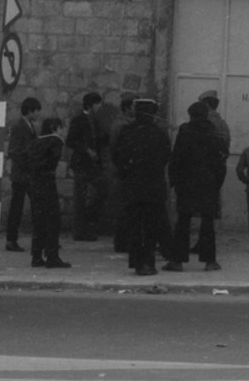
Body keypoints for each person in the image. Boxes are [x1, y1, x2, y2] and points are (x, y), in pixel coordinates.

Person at [164, 101, 227, 273]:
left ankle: (177, 261)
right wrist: (216, 184)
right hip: (208, 185)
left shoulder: (185, 131)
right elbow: (221, 163)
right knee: (207, 223)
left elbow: (176, 158)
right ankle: (210, 261)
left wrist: (174, 181)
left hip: (187, 184)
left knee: (183, 221)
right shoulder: (215, 132)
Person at [111, 97, 171, 276]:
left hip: (132, 186)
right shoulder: (159, 133)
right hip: (153, 187)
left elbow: (118, 157)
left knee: (135, 226)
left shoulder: (127, 132)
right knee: (151, 226)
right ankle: (149, 262)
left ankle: (138, 262)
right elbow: (166, 156)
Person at [29, 116, 70, 268]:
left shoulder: (35, 142)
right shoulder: (54, 142)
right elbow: (51, 161)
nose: (63, 131)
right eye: (61, 128)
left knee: (39, 221)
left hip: (35, 184)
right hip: (47, 184)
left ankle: (37, 255)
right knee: (53, 220)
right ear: (54, 128)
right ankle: (52, 256)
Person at [67, 91, 106, 242]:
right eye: (97, 104)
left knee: (102, 189)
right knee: (80, 198)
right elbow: (71, 141)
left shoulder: (94, 121)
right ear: (91, 105)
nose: (99, 107)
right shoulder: (78, 120)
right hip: (82, 164)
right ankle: (80, 231)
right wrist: (87, 149)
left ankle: (88, 222)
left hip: (93, 164)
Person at [5, 97, 42, 252]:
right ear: (30, 111)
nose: (38, 114)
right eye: (36, 111)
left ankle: (39, 237)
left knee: (34, 206)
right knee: (17, 208)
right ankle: (11, 239)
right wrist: (28, 162)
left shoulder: (30, 126)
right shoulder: (20, 127)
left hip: (27, 174)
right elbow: (14, 151)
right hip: (22, 175)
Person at [107, 94, 136, 254]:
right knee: (123, 207)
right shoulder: (121, 125)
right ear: (126, 108)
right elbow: (115, 147)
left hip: (123, 169)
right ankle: (121, 241)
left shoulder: (125, 123)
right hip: (122, 171)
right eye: (133, 107)